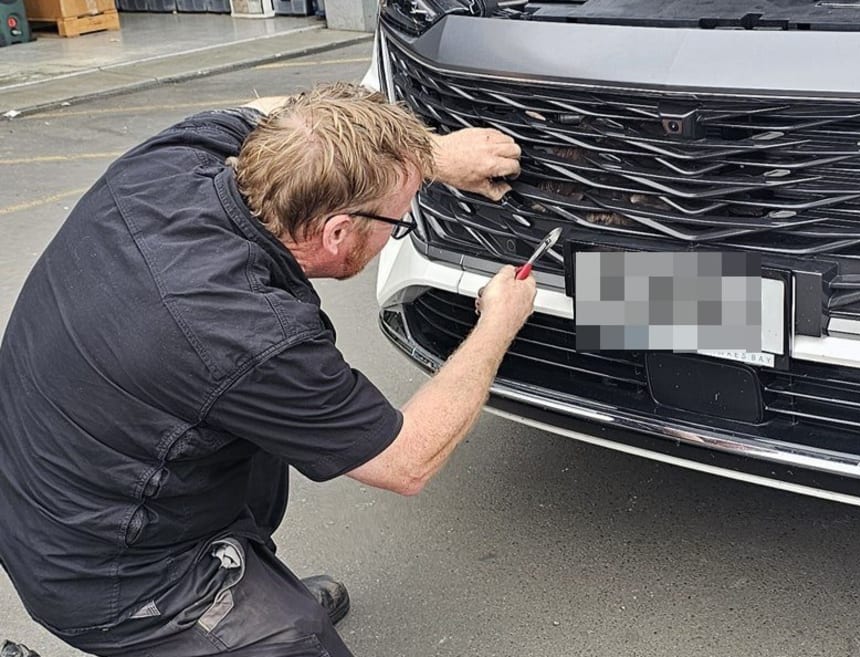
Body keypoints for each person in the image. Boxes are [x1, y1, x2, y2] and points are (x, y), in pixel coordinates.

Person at [0, 82, 535, 657]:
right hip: (106, 582)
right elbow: (406, 461)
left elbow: (277, 112)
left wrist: (431, 157)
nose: (396, 229)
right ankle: (206, 618)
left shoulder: (170, 163)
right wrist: (497, 324)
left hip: (43, 485)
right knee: (299, 640)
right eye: (397, 221)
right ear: (336, 232)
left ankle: (245, 580)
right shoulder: (250, 334)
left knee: (258, 436)